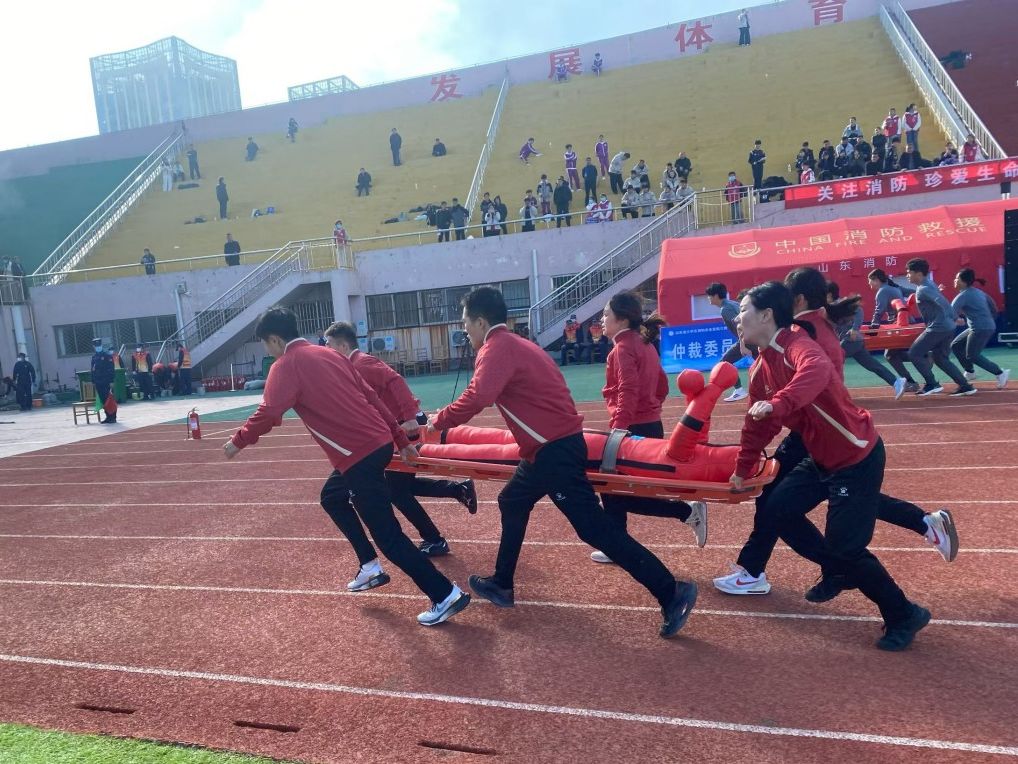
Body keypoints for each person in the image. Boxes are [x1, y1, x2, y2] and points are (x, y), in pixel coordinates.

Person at [430, 287, 698, 637]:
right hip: (549, 447)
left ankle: (671, 592)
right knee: (512, 500)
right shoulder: (520, 344)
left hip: (553, 451)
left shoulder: (497, 348)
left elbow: (478, 396)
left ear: (481, 322)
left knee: (594, 529)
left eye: (466, 323)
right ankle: (502, 583)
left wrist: (437, 423)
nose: (464, 331)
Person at [226, 307, 470, 626]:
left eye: (265, 344)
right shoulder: (330, 354)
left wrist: (239, 441)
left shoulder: (285, 365)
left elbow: (270, 413)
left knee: (388, 536)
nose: (268, 351)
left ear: (274, 339)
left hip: (358, 456)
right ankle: (369, 565)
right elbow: (372, 397)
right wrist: (399, 439)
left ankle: (444, 594)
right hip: (377, 444)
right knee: (332, 497)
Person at [727, 281, 931, 651]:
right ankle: (839, 568)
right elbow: (757, 427)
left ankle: (903, 613)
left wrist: (780, 403)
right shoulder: (759, 369)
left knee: (847, 548)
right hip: (820, 458)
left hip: (856, 456)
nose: (737, 320)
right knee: (776, 511)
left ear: (767, 315)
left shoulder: (796, 344)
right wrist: (742, 469)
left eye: (743, 312)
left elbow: (816, 370)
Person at [323, 321, 478, 562]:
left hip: (407, 426)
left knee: (396, 490)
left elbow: (395, 380)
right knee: (399, 486)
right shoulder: (352, 367)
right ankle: (457, 490)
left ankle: (435, 539)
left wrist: (409, 416)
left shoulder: (361, 363)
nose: (326, 350)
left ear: (343, 346)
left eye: (329, 345)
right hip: (399, 428)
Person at [588, 291, 707, 566]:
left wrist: (619, 430)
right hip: (649, 424)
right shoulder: (645, 344)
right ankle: (618, 546)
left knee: (616, 490)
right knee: (613, 490)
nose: (602, 320)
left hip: (633, 429)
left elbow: (628, 390)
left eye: (605, 315)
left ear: (621, 319)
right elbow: (662, 385)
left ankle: (686, 512)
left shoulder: (622, 348)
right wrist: (651, 408)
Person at [825, 282, 906, 398]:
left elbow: (859, 310)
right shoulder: (829, 307)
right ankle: (896, 381)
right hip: (855, 342)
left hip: (850, 341)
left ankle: (834, 391)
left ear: (829, 294)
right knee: (872, 365)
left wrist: (855, 329)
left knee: (831, 361)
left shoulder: (840, 304)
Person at [905, 258, 972, 396]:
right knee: (940, 358)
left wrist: (955, 317)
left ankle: (932, 384)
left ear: (919, 274)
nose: (907, 275)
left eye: (909, 272)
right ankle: (965, 386)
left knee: (914, 353)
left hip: (938, 327)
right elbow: (937, 297)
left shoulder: (923, 288)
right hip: (948, 327)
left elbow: (942, 301)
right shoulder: (928, 284)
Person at [949, 268, 1010, 389]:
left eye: (957, 279)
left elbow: (950, 313)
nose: (954, 281)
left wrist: (956, 320)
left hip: (980, 328)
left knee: (972, 355)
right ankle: (970, 372)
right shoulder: (979, 292)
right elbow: (994, 308)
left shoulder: (962, 296)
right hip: (984, 326)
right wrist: (988, 321)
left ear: (964, 282)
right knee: (956, 345)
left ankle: (1000, 373)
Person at [868, 268, 920, 392]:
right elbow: (913, 292)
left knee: (890, 355)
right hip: (909, 322)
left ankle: (911, 382)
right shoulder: (894, 287)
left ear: (877, 280)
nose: (870, 285)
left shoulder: (882, 291)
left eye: (870, 282)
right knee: (894, 354)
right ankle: (924, 357)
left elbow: (879, 311)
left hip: (899, 325)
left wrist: (873, 327)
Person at [706, 282, 751, 402]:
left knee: (724, 363)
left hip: (748, 340)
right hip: (752, 338)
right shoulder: (732, 304)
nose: (708, 298)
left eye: (709, 295)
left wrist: (742, 345)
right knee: (767, 364)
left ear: (716, 296)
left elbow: (740, 327)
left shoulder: (725, 309)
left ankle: (739, 390)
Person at [91, 339, 116, 423]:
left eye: (99, 345)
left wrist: (111, 380)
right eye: (96, 346)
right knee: (103, 400)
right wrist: (93, 381)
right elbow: (93, 370)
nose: (98, 347)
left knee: (109, 399)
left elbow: (111, 369)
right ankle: (108, 416)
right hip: (98, 382)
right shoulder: (94, 357)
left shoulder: (107, 356)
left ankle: (113, 417)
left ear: (101, 346)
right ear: (94, 347)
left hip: (106, 381)